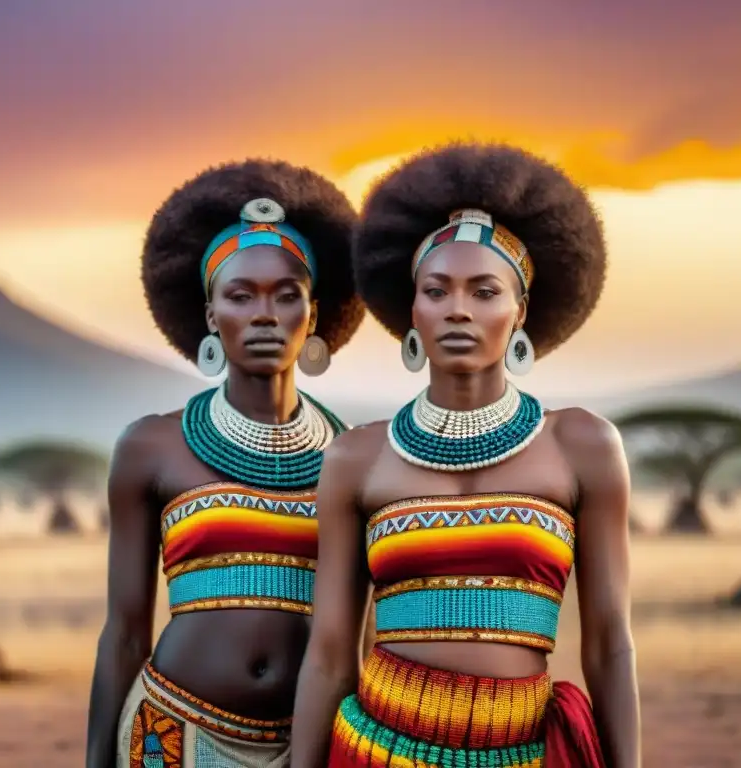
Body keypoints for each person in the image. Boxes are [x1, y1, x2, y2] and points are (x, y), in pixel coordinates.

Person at [290, 143, 640, 768]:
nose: (458, 308)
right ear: (412, 311)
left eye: (484, 291)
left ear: (520, 311)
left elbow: (610, 643)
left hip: (526, 753)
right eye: (437, 290)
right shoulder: (356, 458)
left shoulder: (582, 446)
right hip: (377, 752)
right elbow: (330, 651)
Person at [86, 160, 365, 768]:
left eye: (286, 296)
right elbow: (126, 631)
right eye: (240, 296)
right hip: (173, 734)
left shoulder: (353, 456)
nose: (264, 315)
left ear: (312, 315)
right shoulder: (151, 448)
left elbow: (357, 642)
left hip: (306, 745)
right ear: (212, 315)